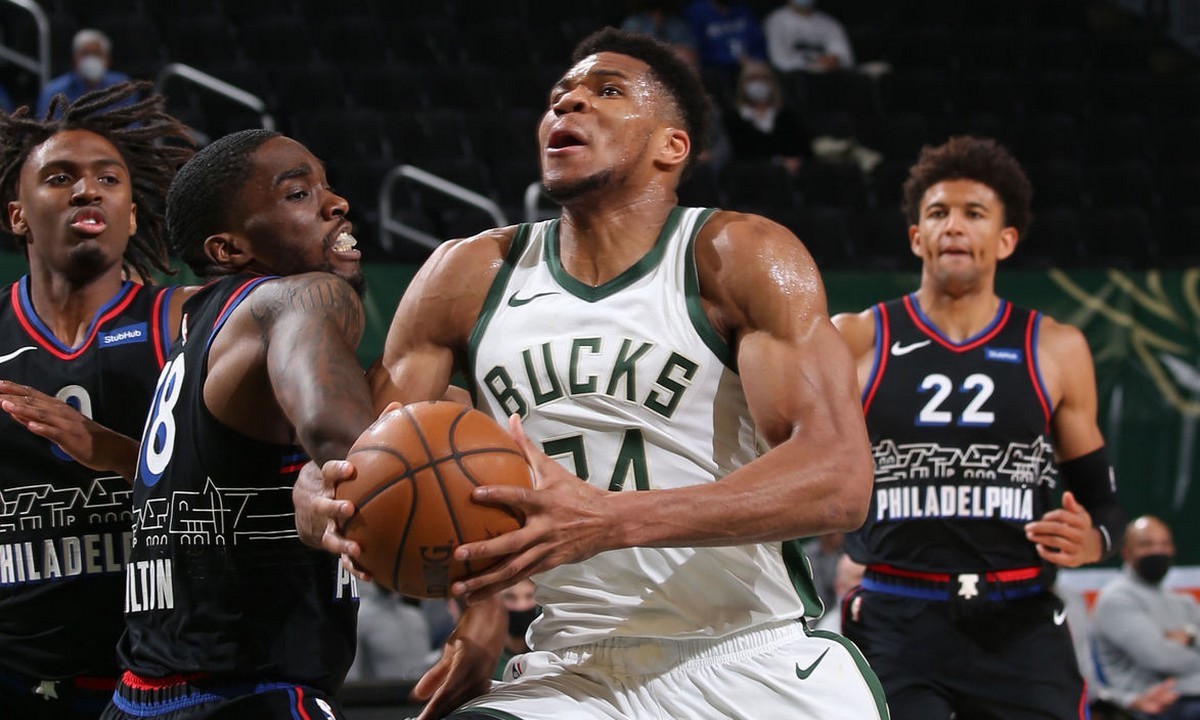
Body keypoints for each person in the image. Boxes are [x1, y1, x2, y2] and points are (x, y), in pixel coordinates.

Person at [313, 26, 886, 719]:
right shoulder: (466, 275)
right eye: (560, 95)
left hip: (746, 652)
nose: (569, 103)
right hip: (572, 670)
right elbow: (370, 460)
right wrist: (473, 597)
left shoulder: (736, 254)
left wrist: (610, 519)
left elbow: (838, 481)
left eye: (607, 91)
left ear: (671, 146)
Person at [101, 129, 503, 720]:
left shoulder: (198, 330)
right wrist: (485, 595)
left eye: (326, 185)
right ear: (229, 249)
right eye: (297, 194)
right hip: (249, 696)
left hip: (137, 696)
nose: (335, 203)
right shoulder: (302, 296)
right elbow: (354, 450)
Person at [833, 134, 1127, 719]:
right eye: (938, 213)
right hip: (895, 616)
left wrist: (1093, 540)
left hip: (1018, 619)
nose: (954, 226)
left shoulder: (1056, 347)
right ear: (916, 236)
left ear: (1006, 239)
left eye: (973, 213)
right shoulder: (857, 338)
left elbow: (1103, 502)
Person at [0, 81, 193, 720]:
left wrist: (114, 452)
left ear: (131, 215)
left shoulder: (186, 323)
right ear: (17, 215)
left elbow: (238, 489)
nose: (88, 190)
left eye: (108, 179)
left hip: (154, 678)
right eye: (61, 177)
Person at [1093, 516, 1200, 719]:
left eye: (1164, 544)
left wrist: (1191, 637)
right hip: (1152, 703)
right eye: (1146, 544)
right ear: (1126, 552)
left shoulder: (1184, 602)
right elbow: (1161, 658)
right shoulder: (1116, 599)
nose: (1157, 551)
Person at [722, 59, 812, 175]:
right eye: (752, 79)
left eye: (763, 78)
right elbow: (736, 156)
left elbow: (803, 149)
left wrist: (794, 161)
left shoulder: (787, 115)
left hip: (789, 176)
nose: (758, 83)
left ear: (772, 83)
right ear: (742, 85)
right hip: (751, 177)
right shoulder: (733, 119)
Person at [37, 30, 133, 119]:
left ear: (108, 58)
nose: (91, 59)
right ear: (74, 58)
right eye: (85, 53)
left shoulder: (123, 87)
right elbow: (46, 127)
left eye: (97, 53)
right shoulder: (53, 92)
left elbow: (132, 124)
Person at [764, 0, 854, 74]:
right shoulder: (776, 21)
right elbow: (779, 61)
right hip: (794, 80)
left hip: (830, 78)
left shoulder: (830, 24)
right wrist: (811, 65)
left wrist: (835, 61)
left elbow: (845, 58)